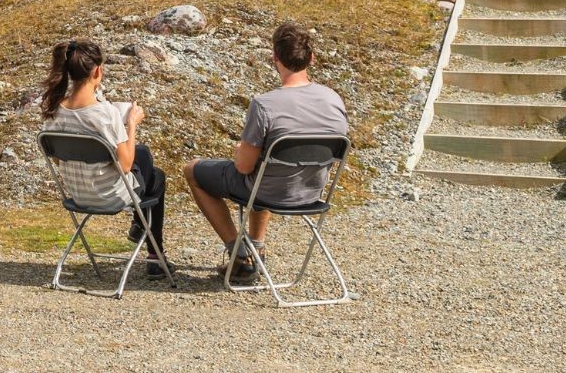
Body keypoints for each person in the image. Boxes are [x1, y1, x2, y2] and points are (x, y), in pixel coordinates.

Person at [183, 21, 348, 282]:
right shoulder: (334, 100)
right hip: (312, 193)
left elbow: (244, 168)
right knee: (267, 167)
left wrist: (241, 151)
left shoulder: (265, 105)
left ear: (275, 58)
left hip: (268, 192)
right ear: (312, 58)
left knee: (193, 170)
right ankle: (257, 247)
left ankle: (240, 255)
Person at [39, 38, 168, 278]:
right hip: (109, 196)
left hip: (78, 194)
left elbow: (59, 160)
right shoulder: (105, 115)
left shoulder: (54, 110)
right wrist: (131, 124)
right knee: (155, 175)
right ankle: (154, 255)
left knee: (143, 154)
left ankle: (143, 231)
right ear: (98, 70)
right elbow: (126, 165)